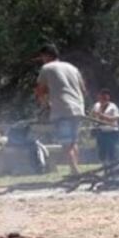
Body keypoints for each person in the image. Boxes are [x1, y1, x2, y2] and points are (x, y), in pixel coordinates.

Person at [35, 43, 86, 174]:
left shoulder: (46, 68)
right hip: (78, 108)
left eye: (42, 57)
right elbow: (83, 89)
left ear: (46, 56)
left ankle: (74, 170)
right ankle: (74, 169)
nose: (42, 59)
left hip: (62, 109)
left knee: (66, 142)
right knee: (73, 142)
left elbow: (40, 90)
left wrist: (45, 104)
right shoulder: (72, 67)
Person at [91, 89, 119, 165]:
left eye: (105, 98)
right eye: (101, 97)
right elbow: (93, 116)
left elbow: (115, 119)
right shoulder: (96, 105)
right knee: (102, 151)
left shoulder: (113, 107)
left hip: (112, 132)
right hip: (101, 132)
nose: (102, 100)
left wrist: (102, 116)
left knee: (112, 151)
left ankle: (113, 167)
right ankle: (104, 166)